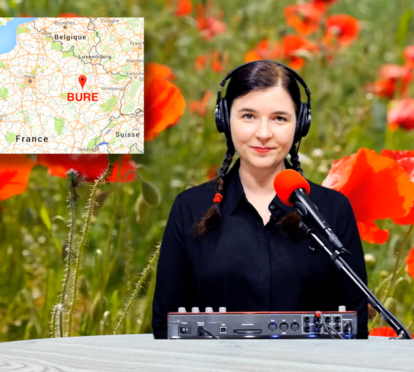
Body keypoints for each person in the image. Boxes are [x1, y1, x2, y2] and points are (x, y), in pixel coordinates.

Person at [151, 60, 369, 339]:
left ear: (300, 124)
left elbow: (355, 326)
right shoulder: (189, 208)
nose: (264, 134)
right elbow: (164, 324)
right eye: (248, 116)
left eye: (279, 118)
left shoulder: (332, 210)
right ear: (225, 120)